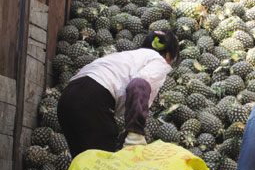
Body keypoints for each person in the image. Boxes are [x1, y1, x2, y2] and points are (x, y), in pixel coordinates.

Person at [57, 29, 179, 157]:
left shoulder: (128, 55)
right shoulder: (158, 61)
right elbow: (138, 85)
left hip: (67, 98)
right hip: (92, 100)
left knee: (82, 163)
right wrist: (135, 135)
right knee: (101, 162)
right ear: (168, 55)